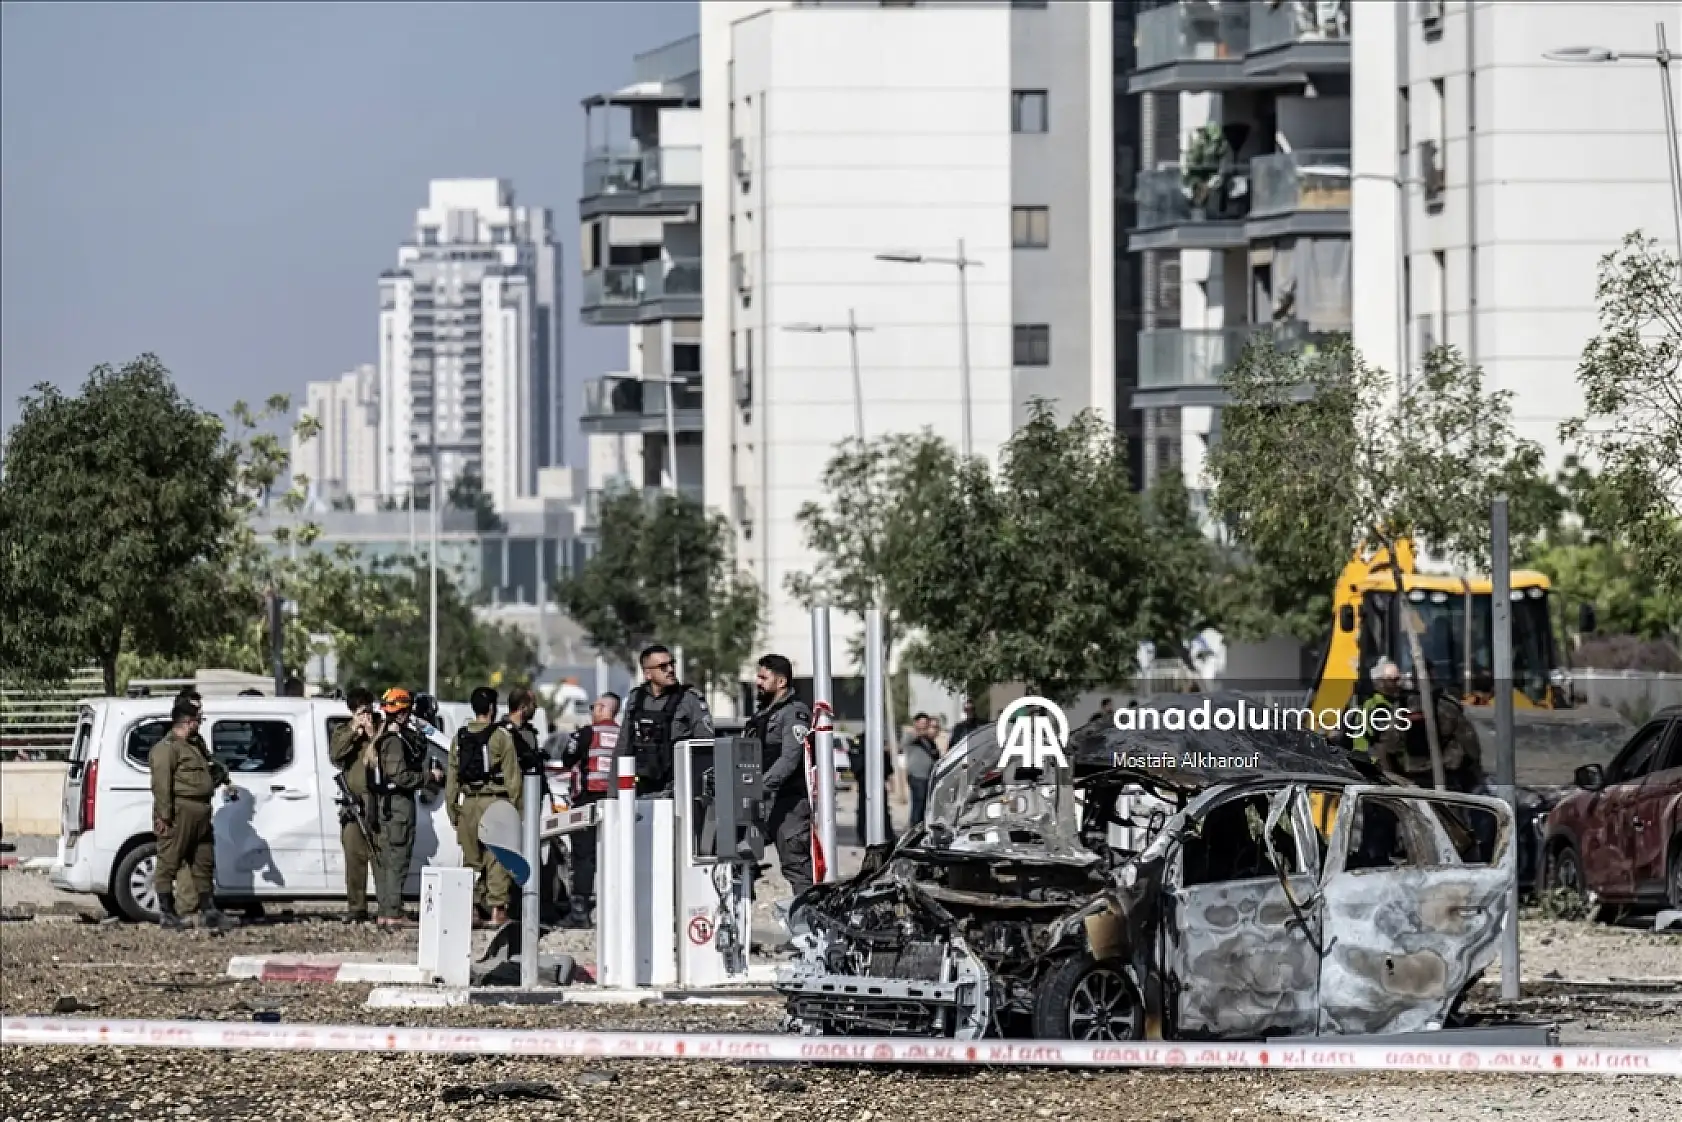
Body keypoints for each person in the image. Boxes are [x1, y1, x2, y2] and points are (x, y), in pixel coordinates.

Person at [150, 696, 238, 930]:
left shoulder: (195, 746)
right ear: (188, 722)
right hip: (180, 811)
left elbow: (209, 767)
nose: (199, 724)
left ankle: (209, 910)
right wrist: (164, 816)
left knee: (203, 861)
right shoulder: (167, 748)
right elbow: (161, 785)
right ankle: (168, 913)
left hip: (201, 811)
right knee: (169, 861)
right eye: (197, 720)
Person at [446, 686, 522, 927]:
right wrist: (518, 813)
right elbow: (513, 779)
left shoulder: (459, 738)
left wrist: (453, 810)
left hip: (468, 804)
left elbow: (452, 778)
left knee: (471, 861)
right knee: (497, 858)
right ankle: (497, 910)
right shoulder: (501, 736)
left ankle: (471, 909)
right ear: (492, 708)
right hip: (495, 802)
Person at [746, 654, 813, 898]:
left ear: (781, 681)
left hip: (788, 803)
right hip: (760, 802)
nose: (758, 682)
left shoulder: (794, 713)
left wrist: (757, 787)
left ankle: (810, 917)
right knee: (739, 856)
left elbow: (789, 760)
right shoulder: (762, 714)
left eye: (763, 677)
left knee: (796, 867)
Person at [370, 687, 432, 927]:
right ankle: (393, 912)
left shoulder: (387, 737)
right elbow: (401, 776)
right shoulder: (393, 741)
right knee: (397, 859)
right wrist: (428, 777)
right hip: (398, 805)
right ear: (402, 712)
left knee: (387, 860)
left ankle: (387, 910)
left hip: (388, 804)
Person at [558, 692, 621, 926]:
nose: (592, 712)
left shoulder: (588, 733)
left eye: (594, 707)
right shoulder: (624, 735)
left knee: (584, 857)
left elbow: (567, 758)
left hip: (587, 802)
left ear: (603, 708)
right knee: (613, 856)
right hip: (617, 803)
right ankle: (614, 911)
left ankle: (580, 913)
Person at [619, 644, 713, 796]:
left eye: (672, 664)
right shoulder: (635, 699)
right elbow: (623, 746)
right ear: (648, 674)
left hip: (677, 792)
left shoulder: (690, 699)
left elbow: (705, 747)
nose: (670, 670)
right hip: (638, 790)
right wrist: (615, 795)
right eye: (663, 666)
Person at [328, 687, 379, 922]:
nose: (365, 715)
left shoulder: (381, 727)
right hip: (354, 802)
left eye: (367, 710)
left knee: (380, 854)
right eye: (360, 711)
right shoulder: (344, 730)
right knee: (354, 856)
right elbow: (336, 755)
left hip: (377, 799)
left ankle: (387, 905)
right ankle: (357, 907)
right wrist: (353, 731)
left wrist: (372, 734)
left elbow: (385, 755)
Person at [847, 727, 895, 846]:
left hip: (878, 780)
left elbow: (886, 762)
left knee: (882, 809)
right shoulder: (859, 740)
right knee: (864, 809)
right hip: (865, 780)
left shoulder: (879, 740)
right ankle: (863, 836)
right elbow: (855, 760)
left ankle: (887, 835)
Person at [903, 713, 941, 828]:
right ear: (916, 723)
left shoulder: (928, 741)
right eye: (923, 723)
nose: (925, 725)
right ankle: (914, 828)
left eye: (926, 723)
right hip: (917, 776)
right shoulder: (911, 736)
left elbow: (935, 755)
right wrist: (926, 732)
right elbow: (914, 736)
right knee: (918, 804)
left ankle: (921, 827)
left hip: (927, 777)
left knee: (924, 805)